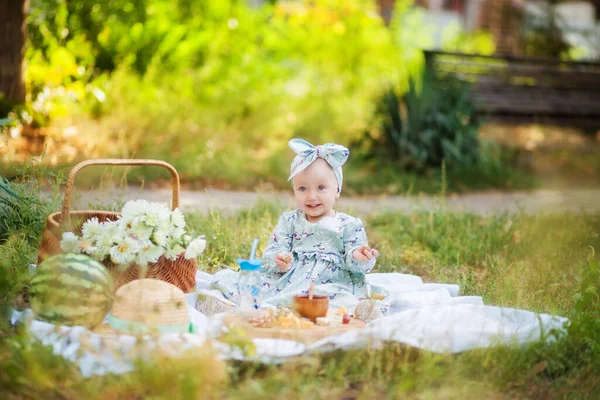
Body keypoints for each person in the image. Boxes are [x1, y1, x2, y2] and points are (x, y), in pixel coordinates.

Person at [206, 138, 379, 314]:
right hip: (289, 279)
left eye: (321, 188)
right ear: (294, 190)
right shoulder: (289, 221)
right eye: (302, 189)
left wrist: (359, 255)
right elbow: (276, 247)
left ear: (337, 190)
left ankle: (360, 313)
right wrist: (279, 258)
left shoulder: (348, 224)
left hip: (330, 283)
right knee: (234, 280)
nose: (311, 196)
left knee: (342, 300)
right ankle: (228, 306)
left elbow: (355, 259)